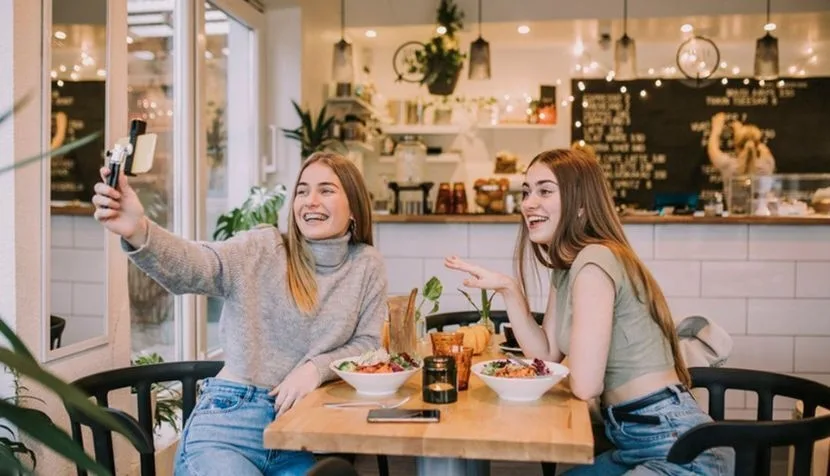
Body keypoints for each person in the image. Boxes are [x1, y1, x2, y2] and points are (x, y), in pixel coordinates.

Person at [92, 151, 388, 476]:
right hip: (229, 423)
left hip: (295, 434)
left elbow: (368, 345)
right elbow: (196, 265)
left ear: (354, 206)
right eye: (302, 191)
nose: (310, 201)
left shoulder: (365, 264)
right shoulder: (264, 248)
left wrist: (315, 369)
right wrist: (138, 229)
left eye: (326, 190)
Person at [445, 149, 734, 475]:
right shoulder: (567, 266)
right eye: (526, 192)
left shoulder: (594, 260)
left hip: (679, 448)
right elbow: (546, 356)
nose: (528, 203)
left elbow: (585, 385)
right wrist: (509, 290)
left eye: (545, 190)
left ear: (580, 204)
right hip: (636, 441)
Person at [708, 112, 775, 180]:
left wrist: (716, 128)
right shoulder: (767, 163)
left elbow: (713, 149)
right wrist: (744, 135)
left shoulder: (729, 166)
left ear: (736, 146)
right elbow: (763, 149)